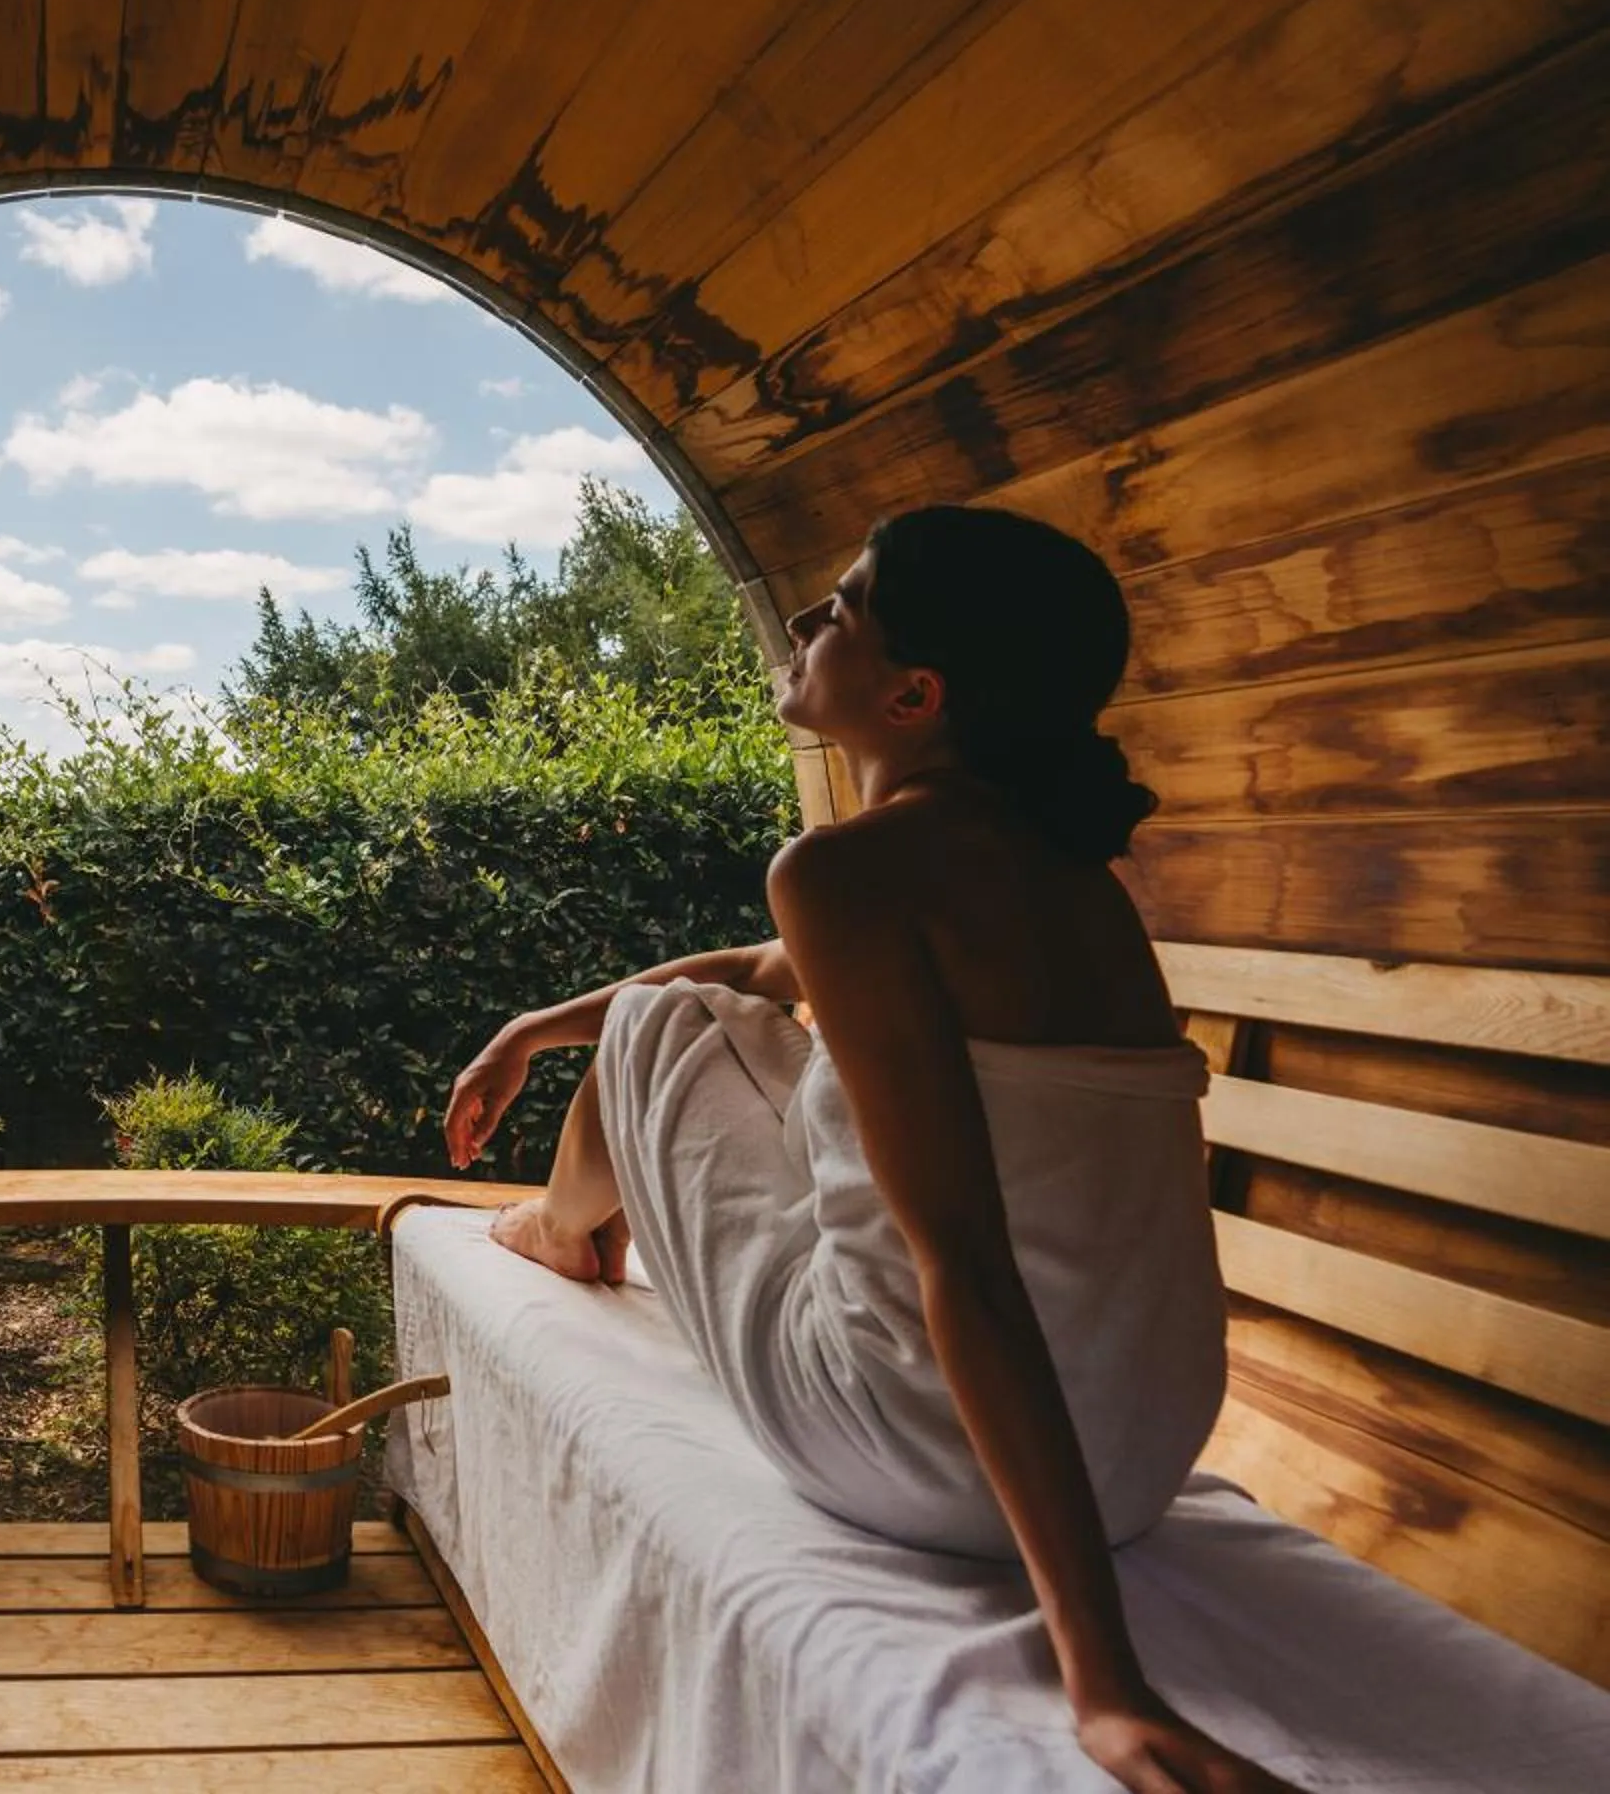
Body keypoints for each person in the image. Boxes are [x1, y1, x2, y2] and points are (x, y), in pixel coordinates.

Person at [444, 506, 1297, 1794]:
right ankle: (567, 1211)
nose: (803, 621)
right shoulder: (1062, 881)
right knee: (685, 1012)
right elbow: (760, 972)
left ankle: (560, 1230)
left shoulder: (843, 870)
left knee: (654, 1022)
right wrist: (528, 1030)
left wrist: (1106, 1685)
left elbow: (969, 1261)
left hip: (916, 1451)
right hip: (1141, 1454)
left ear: (914, 694)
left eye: (840, 607)